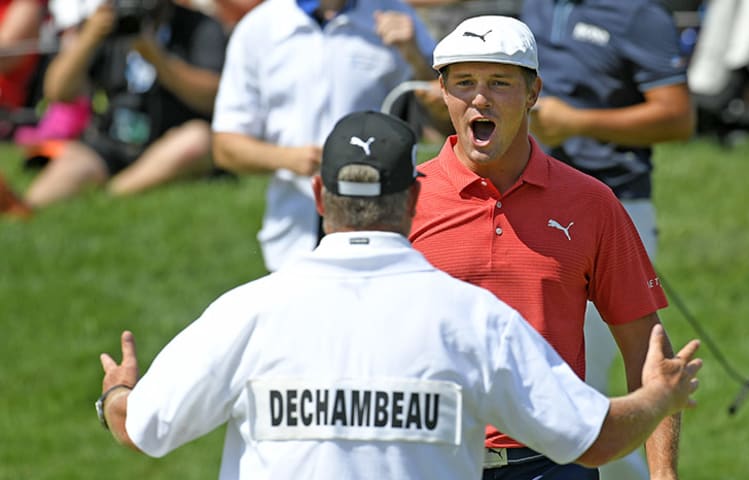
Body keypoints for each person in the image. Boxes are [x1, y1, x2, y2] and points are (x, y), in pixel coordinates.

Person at [96, 110, 703, 479]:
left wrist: (117, 393)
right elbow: (592, 440)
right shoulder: (474, 319)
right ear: (413, 199)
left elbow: (140, 428)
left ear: (319, 197)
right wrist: (659, 397)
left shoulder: (247, 312)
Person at [408, 15, 681, 479]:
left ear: (533, 92)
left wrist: (664, 475)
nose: (479, 98)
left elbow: (646, 346)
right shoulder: (405, 200)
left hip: (553, 465)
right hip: (430, 462)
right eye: (464, 82)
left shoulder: (591, 203)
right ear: (443, 92)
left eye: (499, 83)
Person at [522, 3, 697, 477]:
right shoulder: (534, 6)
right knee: (552, 384)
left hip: (615, 207)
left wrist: (578, 122)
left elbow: (678, 117)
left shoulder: (639, 13)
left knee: (582, 393)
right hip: (532, 206)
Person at [211, 0, 436, 272]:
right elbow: (225, 146)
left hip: (384, 223)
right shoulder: (259, 27)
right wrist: (288, 158)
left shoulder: (395, 14)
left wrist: (416, 59)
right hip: (294, 229)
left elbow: (448, 116)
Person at [0, 0, 228, 216]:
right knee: (73, 163)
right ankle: (23, 210)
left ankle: (113, 193)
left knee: (196, 140)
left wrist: (157, 58)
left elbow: (211, 96)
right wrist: (89, 38)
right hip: (111, 141)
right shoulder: (109, 24)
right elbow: (58, 92)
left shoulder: (201, 26)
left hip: (169, 140)